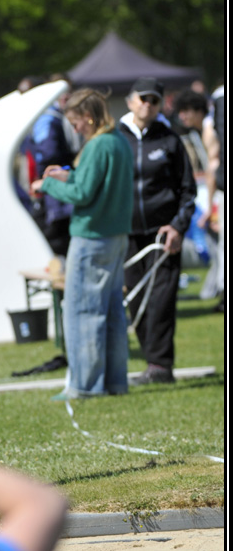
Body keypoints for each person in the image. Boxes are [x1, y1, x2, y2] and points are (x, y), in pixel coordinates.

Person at [31, 88, 134, 399]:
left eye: (76, 123)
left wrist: (48, 185)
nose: (75, 129)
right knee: (112, 310)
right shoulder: (118, 140)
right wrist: (68, 176)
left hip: (91, 237)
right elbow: (94, 183)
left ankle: (85, 386)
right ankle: (115, 382)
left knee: (83, 311)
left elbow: (83, 195)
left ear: (88, 117)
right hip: (116, 236)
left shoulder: (97, 145)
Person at [118, 78, 196, 385]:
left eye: (154, 100)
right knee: (136, 299)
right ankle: (152, 362)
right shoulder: (115, 138)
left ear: (161, 105)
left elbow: (188, 191)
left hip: (164, 235)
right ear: (130, 101)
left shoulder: (170, 140)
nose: (147, 105)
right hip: (127, 234)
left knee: (161, 300)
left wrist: (178, 226)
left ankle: (160, 366)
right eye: (143, 98)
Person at [27, 80, 80, 257]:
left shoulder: (53, 117)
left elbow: (48, 152)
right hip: (54, 187)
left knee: (61, 236)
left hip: (58, 186)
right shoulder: (50, 118)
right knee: (58, 238)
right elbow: (48, 153)